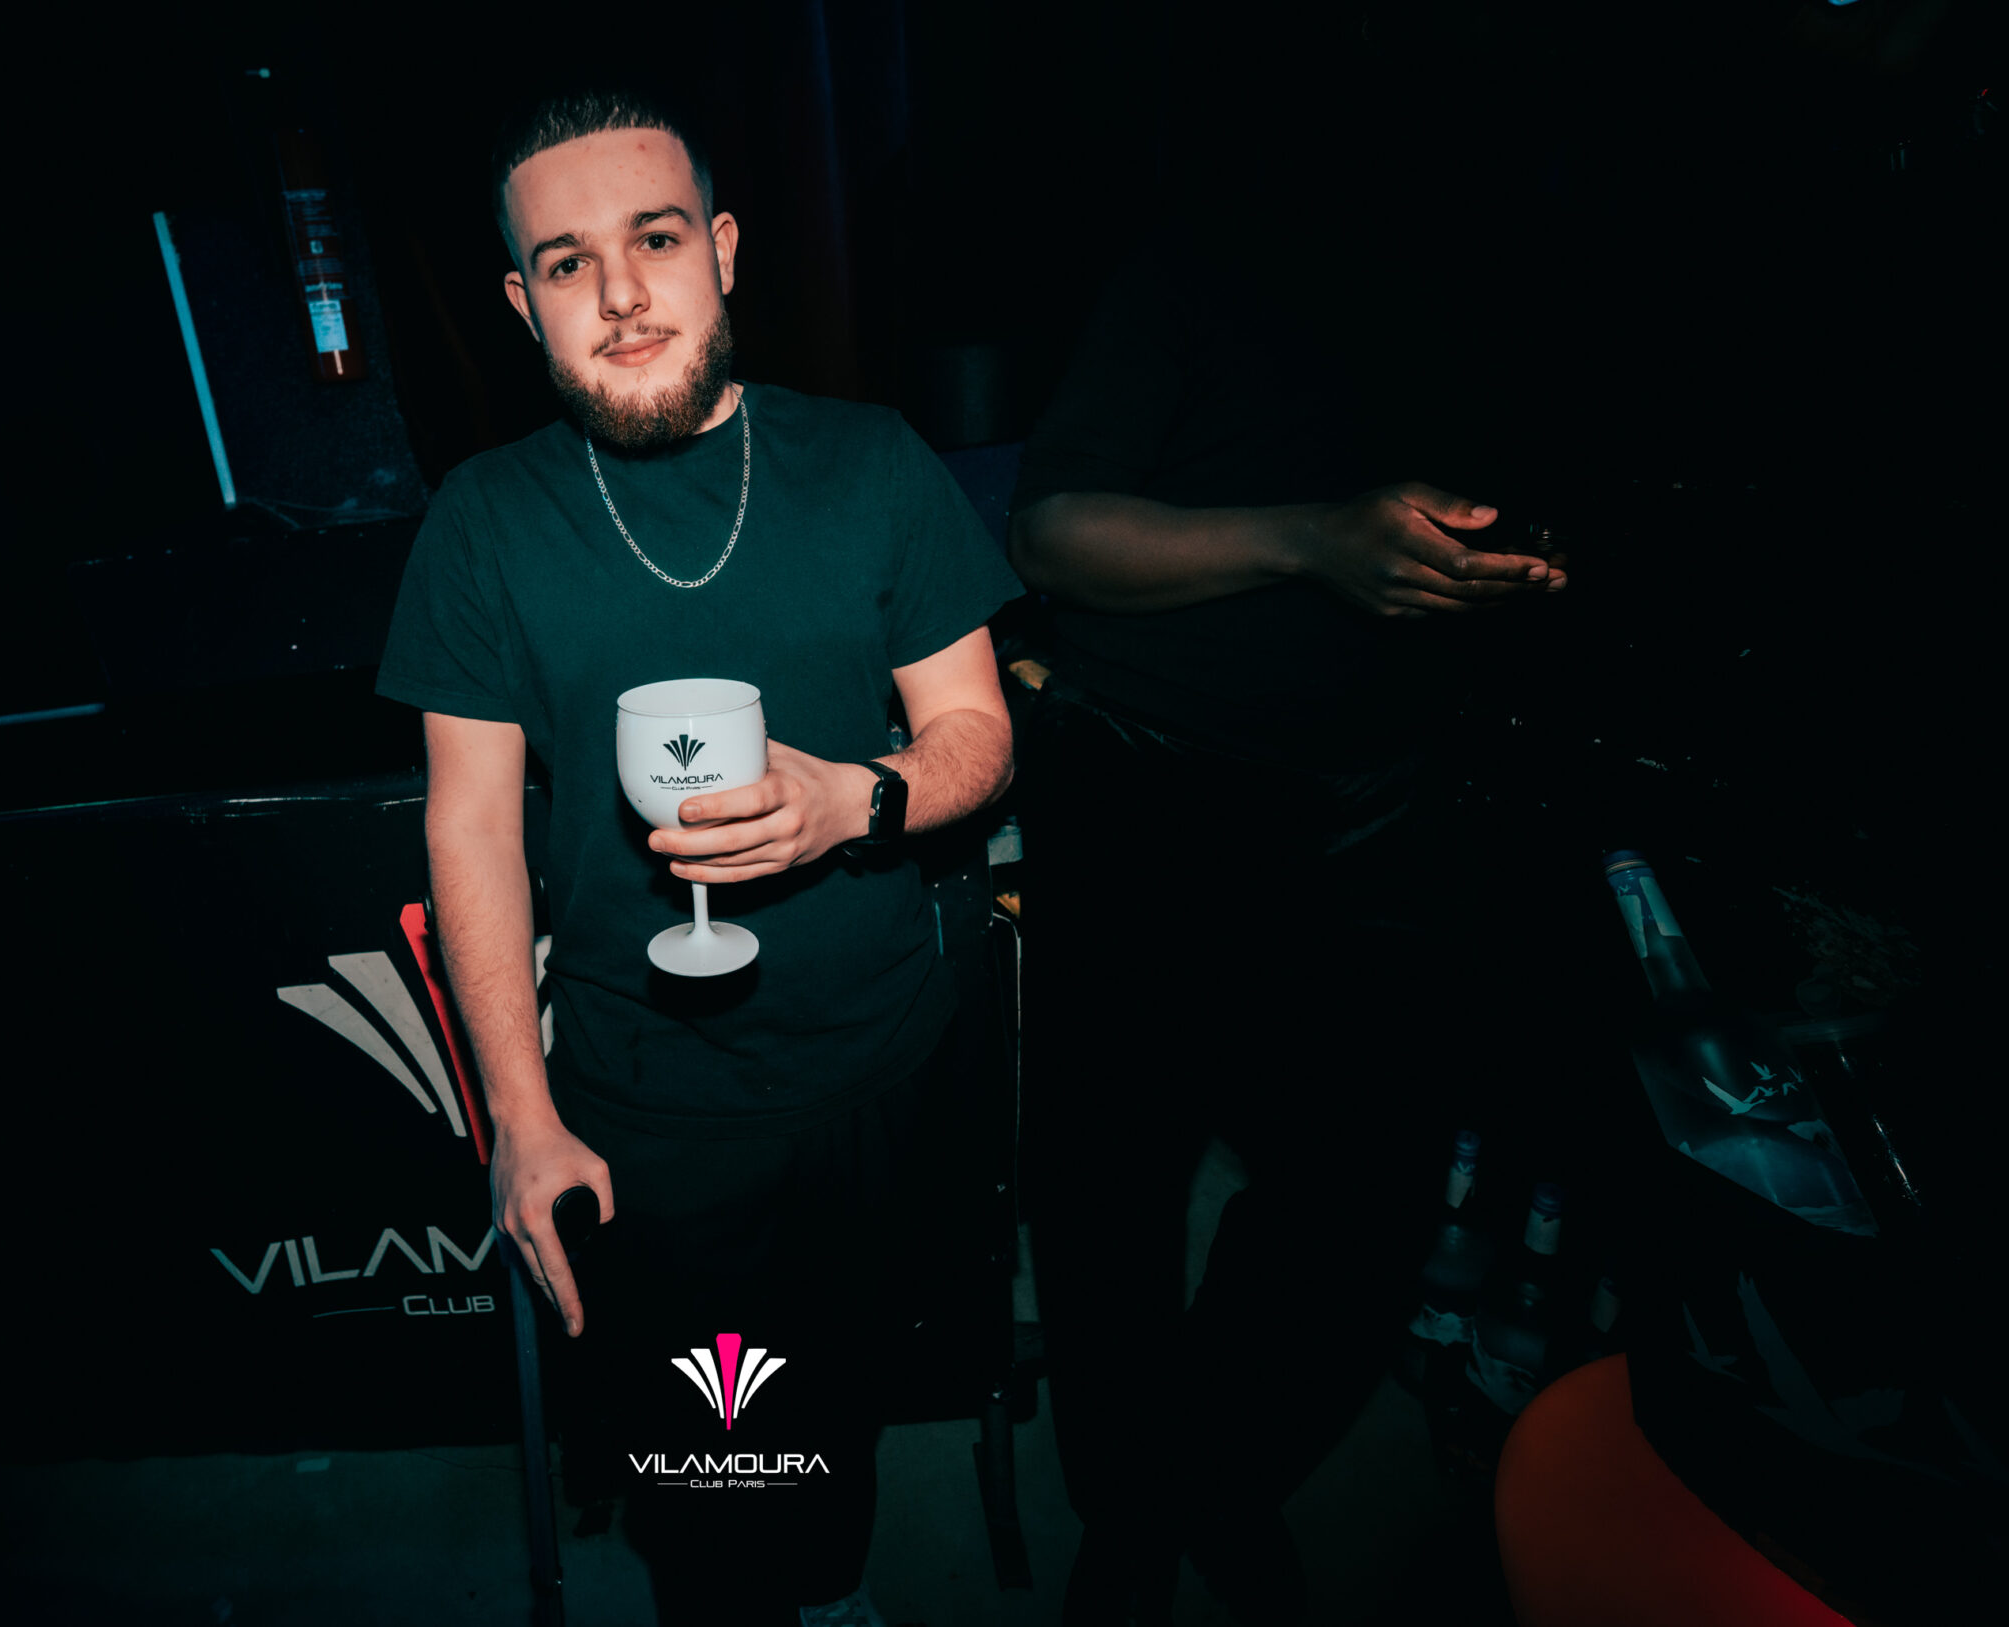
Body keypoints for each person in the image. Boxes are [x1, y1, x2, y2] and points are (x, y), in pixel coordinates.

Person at [374, 87, 1023, 1627]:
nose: (619, 293)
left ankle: (830, 1586)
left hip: (883, 1071)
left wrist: (853, 802)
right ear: (522, 302)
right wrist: (519, 1119)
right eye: (568, 261)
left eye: (655, 240)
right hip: (651, 1106)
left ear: (722, 251)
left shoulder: (871, 462)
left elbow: (979, 733)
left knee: (841, 1409)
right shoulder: (484, 521)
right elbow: (470, 823)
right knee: (713, 1466)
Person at [1007, 233, 1568, 1625]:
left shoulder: (1501, 288)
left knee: (1366, 1202)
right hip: (1147, 780)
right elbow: (1051, 535)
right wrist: (1314, 540)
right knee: (1111, 1197)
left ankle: (1205, 1478)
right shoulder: (1192, 266)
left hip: (1386, 801)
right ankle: (1131, 1518)